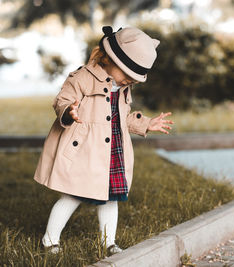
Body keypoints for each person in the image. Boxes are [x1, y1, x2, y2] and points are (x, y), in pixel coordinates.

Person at [33, 26, 173, 254]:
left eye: (134, 78)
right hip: (85, 151)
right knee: (72, 195)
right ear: (110, 59)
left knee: (110, 199)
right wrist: (69, 111)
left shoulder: (123, 87)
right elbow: (62, 99)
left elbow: (122, 118)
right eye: (127, 74)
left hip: (111, 150)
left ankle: (108, 242)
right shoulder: (83, 78)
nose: (130, 80)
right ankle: (50, 240)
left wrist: (146, 124)